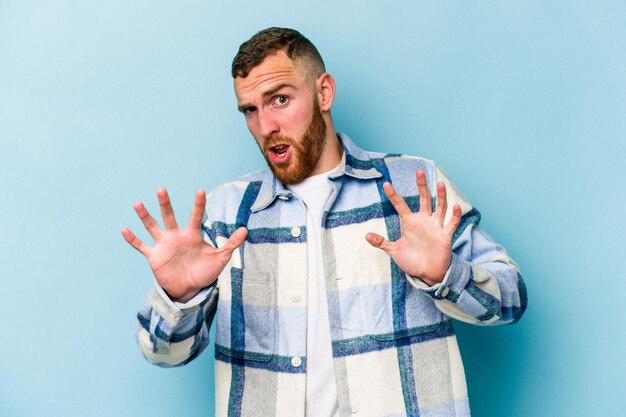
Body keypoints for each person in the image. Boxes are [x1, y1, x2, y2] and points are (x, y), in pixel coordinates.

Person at [123, 27, 527, 417]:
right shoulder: (228, 213)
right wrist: (179, 299)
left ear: (324, 92)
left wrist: (447, 274)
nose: (265, 127)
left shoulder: (412, 187)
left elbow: (511, 297)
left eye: (279, 99)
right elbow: (162, 352)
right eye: (250, 110)